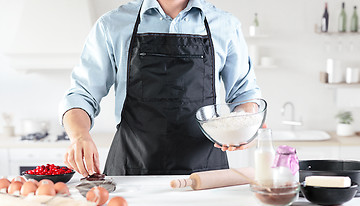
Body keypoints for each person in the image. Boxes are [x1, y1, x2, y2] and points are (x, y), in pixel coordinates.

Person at [60, 0, 261, 177]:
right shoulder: (112, 24)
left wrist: (244, 124)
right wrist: (80, 136)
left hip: (206, 174)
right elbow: (82, 94)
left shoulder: (225, 25)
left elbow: (244, 94)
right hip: (131, 171)